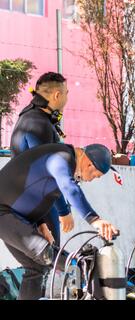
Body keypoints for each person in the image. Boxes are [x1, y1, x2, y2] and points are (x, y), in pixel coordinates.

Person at [0, 143, 119, 300]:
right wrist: (95, 219)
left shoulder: (62, 159)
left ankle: (83, 268)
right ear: (89, 164)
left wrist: (41, 224)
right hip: (4, 213)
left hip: (18, 215)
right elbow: (69, 188)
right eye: (96, 176)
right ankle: (84, 267)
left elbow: (37, 190)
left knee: (36, 268)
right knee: (44, 252)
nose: (92, 180)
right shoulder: (62, 158)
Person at [10, 72, 73, 249]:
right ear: (57, 95)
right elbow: (48, 172)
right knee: (47, 262)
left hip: (23, 203)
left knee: (37, 266)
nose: (67, 98)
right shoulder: (39, 125)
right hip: (40, 203)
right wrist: (63, 210)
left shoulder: (28, 117)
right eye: (66, 93)